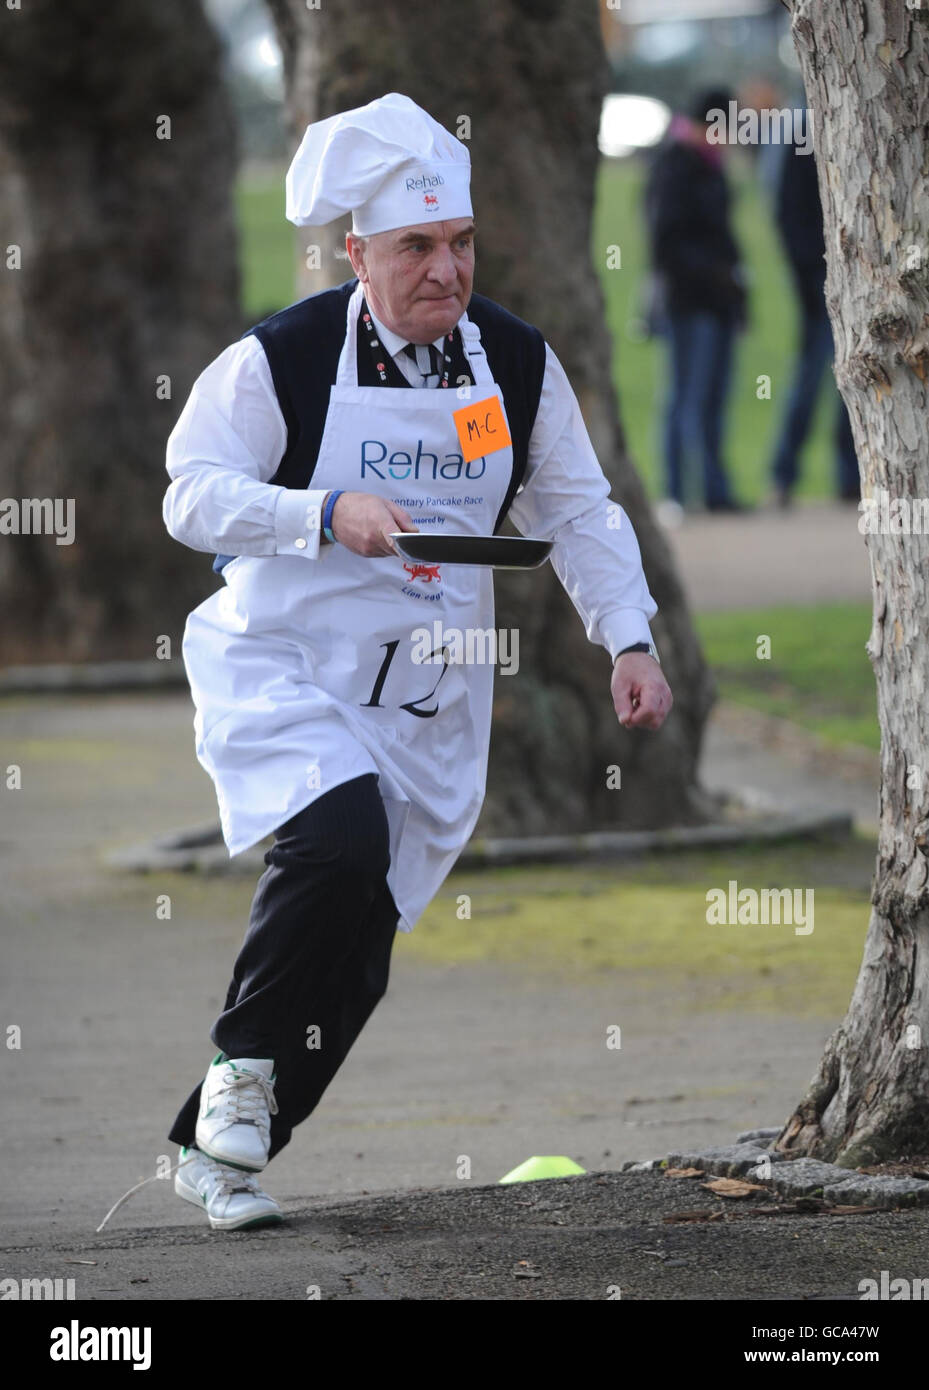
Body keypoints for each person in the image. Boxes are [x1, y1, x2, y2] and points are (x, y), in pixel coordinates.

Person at [162, 93, 673, 1230]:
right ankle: (241, 1068)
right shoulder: (283, 360)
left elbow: (580, 514)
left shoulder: (514, 371)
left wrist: (628, 638)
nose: (445, 271)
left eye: (459, 244)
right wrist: (320, 510)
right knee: (335, 841)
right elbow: (189, 494)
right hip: (285, 665)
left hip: (428, 698)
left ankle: (216, 1154)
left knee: (357, 954)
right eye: (415, 249)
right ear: (357, 254)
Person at [644, 88, 748, 517]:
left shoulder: (711, 167)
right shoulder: (675, 166)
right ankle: (674, 492)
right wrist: (713, 272)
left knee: (714, 400)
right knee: (683, 398)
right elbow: (665, 242)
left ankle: (715, 489)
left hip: (720, 302)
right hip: (688, 303)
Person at [767, 133, 859, 507]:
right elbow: (789, 216)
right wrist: (812, 277)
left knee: (855, 376)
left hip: (854, 279)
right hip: (818, 282)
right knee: (810, 380)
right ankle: (783, 475)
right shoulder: (801, 138)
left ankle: (851, 478)